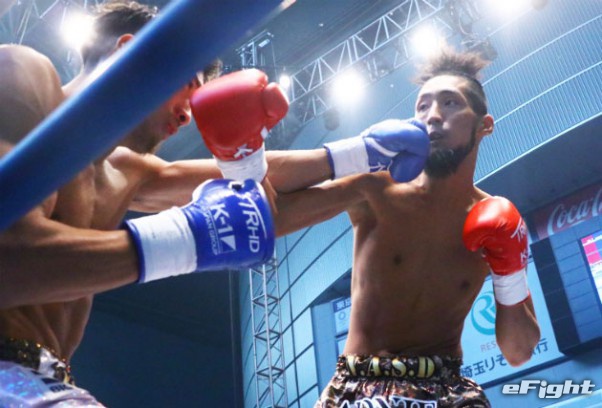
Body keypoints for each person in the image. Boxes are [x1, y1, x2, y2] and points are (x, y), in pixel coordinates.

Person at [0, 1, 338, 405]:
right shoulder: (20, 72)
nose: (188, 117)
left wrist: (363, 158)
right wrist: (189, 239)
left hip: (46, 377)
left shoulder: (123, 171)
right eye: (188, 83)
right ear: (129, 50)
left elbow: (254, 199)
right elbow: (7, 255)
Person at [273, 47, 541, 407]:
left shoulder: (496, 221)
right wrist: (351, 153)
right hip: (358, 386)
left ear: (485, 126)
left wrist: (509, 274)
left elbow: (518, 351)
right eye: (422, 106)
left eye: (450, 103)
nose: (433, 116)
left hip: (445, 391)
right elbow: (267, 219)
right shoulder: (376, 189)